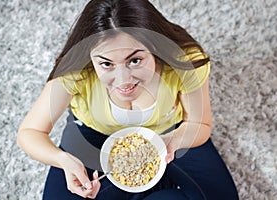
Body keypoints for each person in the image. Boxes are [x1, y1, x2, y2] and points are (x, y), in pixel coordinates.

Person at [17, 0, 239, 199]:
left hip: (170, 133)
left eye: (135, 60)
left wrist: (170, 142)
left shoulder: (184, 61)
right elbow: (30, 132)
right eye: (106, 64)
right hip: (94, 137)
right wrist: (63, 160)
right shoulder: (75, 68)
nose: (123, 81)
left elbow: (199, 124)